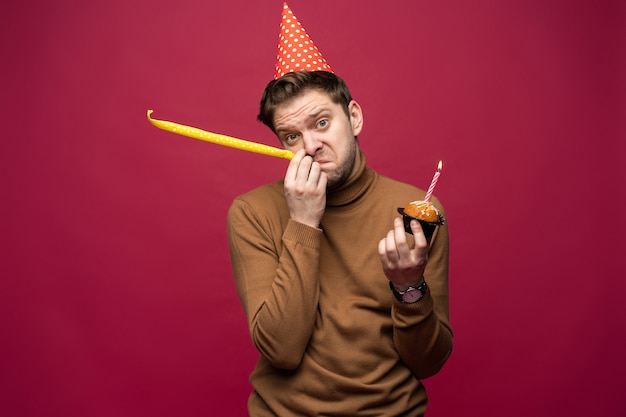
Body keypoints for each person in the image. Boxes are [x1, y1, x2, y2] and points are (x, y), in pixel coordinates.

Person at [227, 4, 452, 416]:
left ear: (354, 117)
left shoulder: (418, 211)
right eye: (291, 135)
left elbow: (429, 362)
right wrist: (303, 222)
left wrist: (409, 287)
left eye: (321, 123)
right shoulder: (252, 212)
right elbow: (281, 351)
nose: (310, 145)